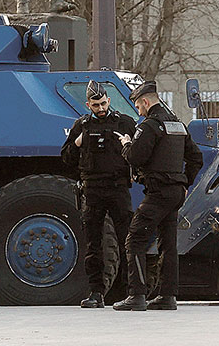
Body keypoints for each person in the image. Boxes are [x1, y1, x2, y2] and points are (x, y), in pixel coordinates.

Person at [113, 81, 204, 311]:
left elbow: (135, 157)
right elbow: (196, 158)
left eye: (138, 106)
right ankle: (167, 296)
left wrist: (126, 143)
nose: (138, 111)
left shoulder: (149, 126)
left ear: (145, 102)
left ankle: (137, 295)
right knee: (168, 244)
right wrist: (185, 183)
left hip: (158, 192)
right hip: (175, 192)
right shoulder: (178, 125)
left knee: (134, 239)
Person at [61, 80, 137, 308]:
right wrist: (77, 143)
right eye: (96, 105)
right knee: (93, 244)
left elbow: (140, 153)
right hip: (93, 189)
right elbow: (66, 157)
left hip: (118, 188)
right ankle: (96, 292)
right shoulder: (81, 126)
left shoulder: (124, 123)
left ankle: (129, 290)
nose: (101, 109)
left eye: (103, 104)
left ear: (109, 101)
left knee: (127, 240)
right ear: (88, 105)